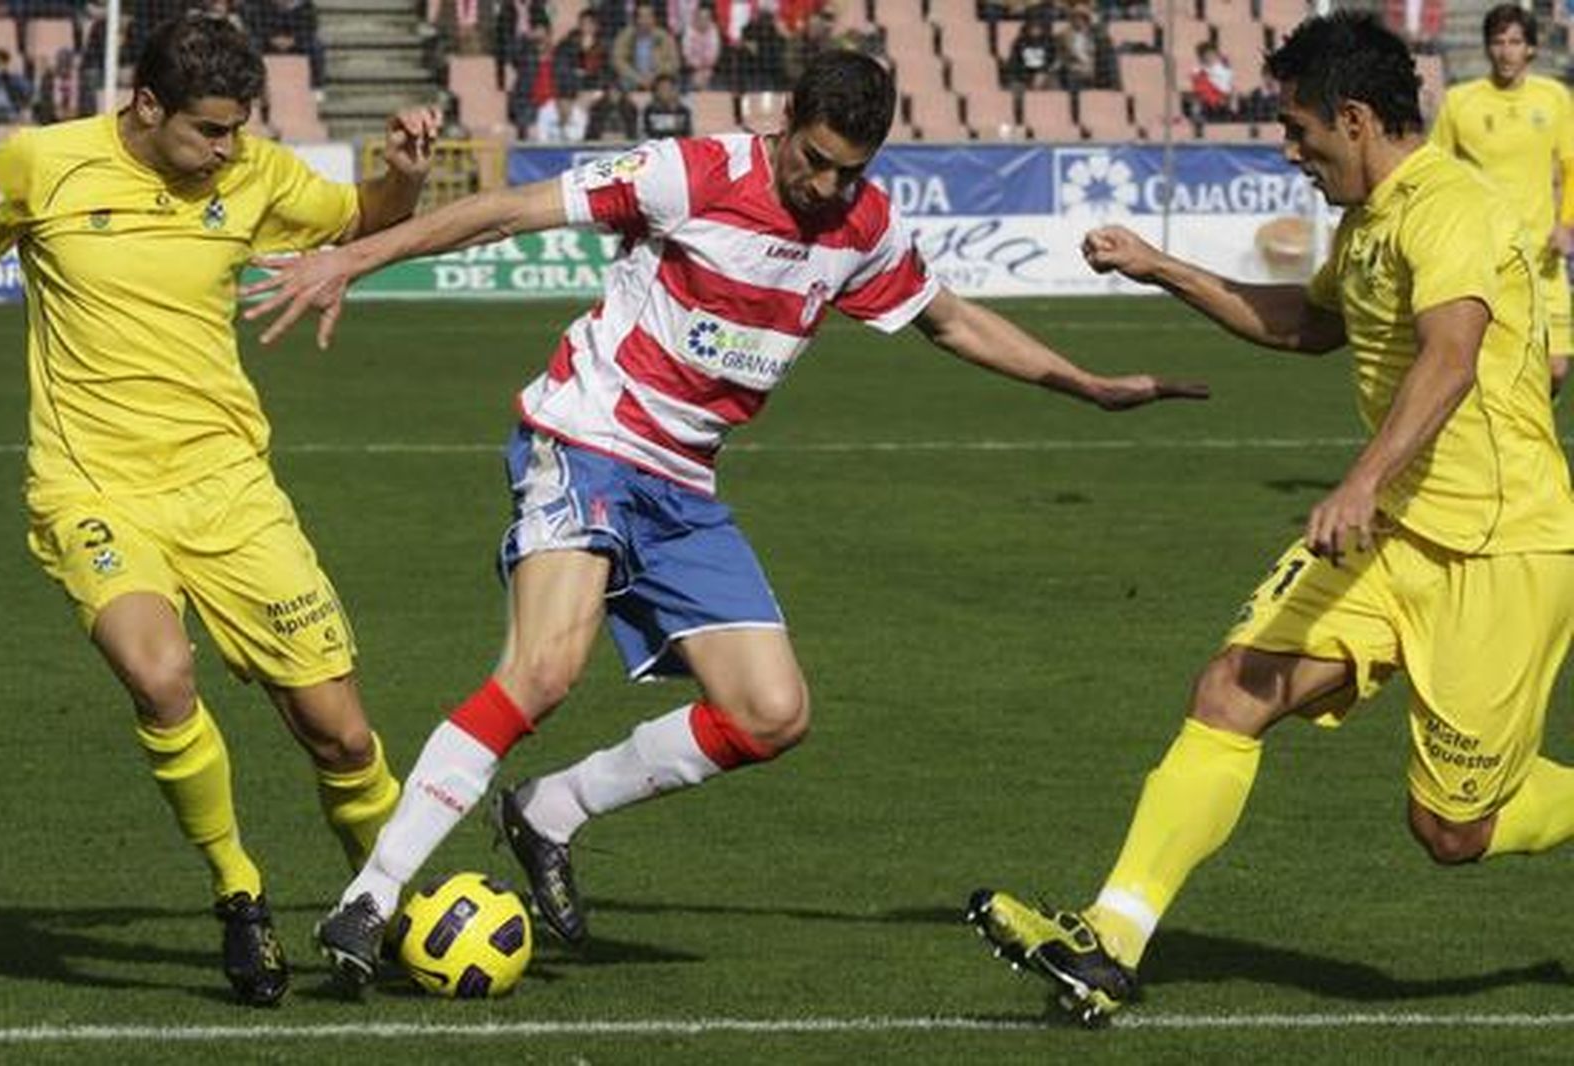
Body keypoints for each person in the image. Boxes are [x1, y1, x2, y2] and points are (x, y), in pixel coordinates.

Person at [239, 48, 1205, 985]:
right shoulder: (690, 173)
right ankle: (372, 895)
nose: (827, 186)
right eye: (815, 160)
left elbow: (950, 321)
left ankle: (550, 811)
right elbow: (510, 210)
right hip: (586, 439)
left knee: (771, 713)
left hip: (684, 486)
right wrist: (354, 258)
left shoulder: (861, 225)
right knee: (542, 670)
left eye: (849, 171)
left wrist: (1086, 384)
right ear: (784, 121)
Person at [968, 12, 1574, 1026]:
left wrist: (1362, 479)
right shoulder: (1371, 216)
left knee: (1450, 830)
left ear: (1353, 116)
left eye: (1298, 131)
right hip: (1393, 536)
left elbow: (1451, 356)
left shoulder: (1449, 207)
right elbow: (1306, 325)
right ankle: (1108, 941)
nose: (1289, 151)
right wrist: (1163, 267)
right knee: (1231, 688)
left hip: (1501, 546)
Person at [0, 14, 439, 1006]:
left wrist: (400, 171)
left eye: (239, 130)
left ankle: (394, 902)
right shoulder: (37, 165)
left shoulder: (257, 176)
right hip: (92, 489)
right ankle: (240, 892)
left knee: (342, 738)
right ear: (146, 106)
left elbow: (362, 216)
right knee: (160, 673)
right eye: (212, 131)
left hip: (230, 492)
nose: (230, 149)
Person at [1431, 5, 1574, 394]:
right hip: (1484, 256)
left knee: (1556, 368)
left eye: (1515, 42)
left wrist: (1566, 223)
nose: (1506, 51)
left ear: (1531, 48)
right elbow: (1436, 171)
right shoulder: (1460, 102)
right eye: (1498, 41)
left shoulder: (1555, 98)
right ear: (1487, 48)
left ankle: (1530, 424)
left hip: (1543, 257)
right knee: (1487, 366)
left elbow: (1571, 167)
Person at [611, 2, 681, 91]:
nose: (646, 20)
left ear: (654, 19)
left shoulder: (664, 37)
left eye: (649, 16)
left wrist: (655, 74)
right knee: (623, 84)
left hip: (657, 77)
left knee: (667, 86)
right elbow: (618, 61)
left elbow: (674, 63)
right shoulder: (625, 36)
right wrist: (638, 78)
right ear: (636, 19)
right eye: (642, 17)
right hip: (633, 78)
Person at [1189, 42, 1238, 121]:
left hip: (1222, 101)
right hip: (1207, 102)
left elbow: (1228, 86)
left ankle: (1232, 115)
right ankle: (1197, 116)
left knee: (1233, 91)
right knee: (1198, 93)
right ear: (1202, 57)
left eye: (1211, 54)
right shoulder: (1197, 70)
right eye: (1206, 55)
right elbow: (1199, 89)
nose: (1210, 57)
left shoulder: (1223, 68)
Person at [641, 69, 692, 137]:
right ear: (656, 92)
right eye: (661, 89)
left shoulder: (683, 111)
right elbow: (649, 133)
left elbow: (686, 134)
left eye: (668, 88)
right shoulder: (650, 110)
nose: (664, 92)